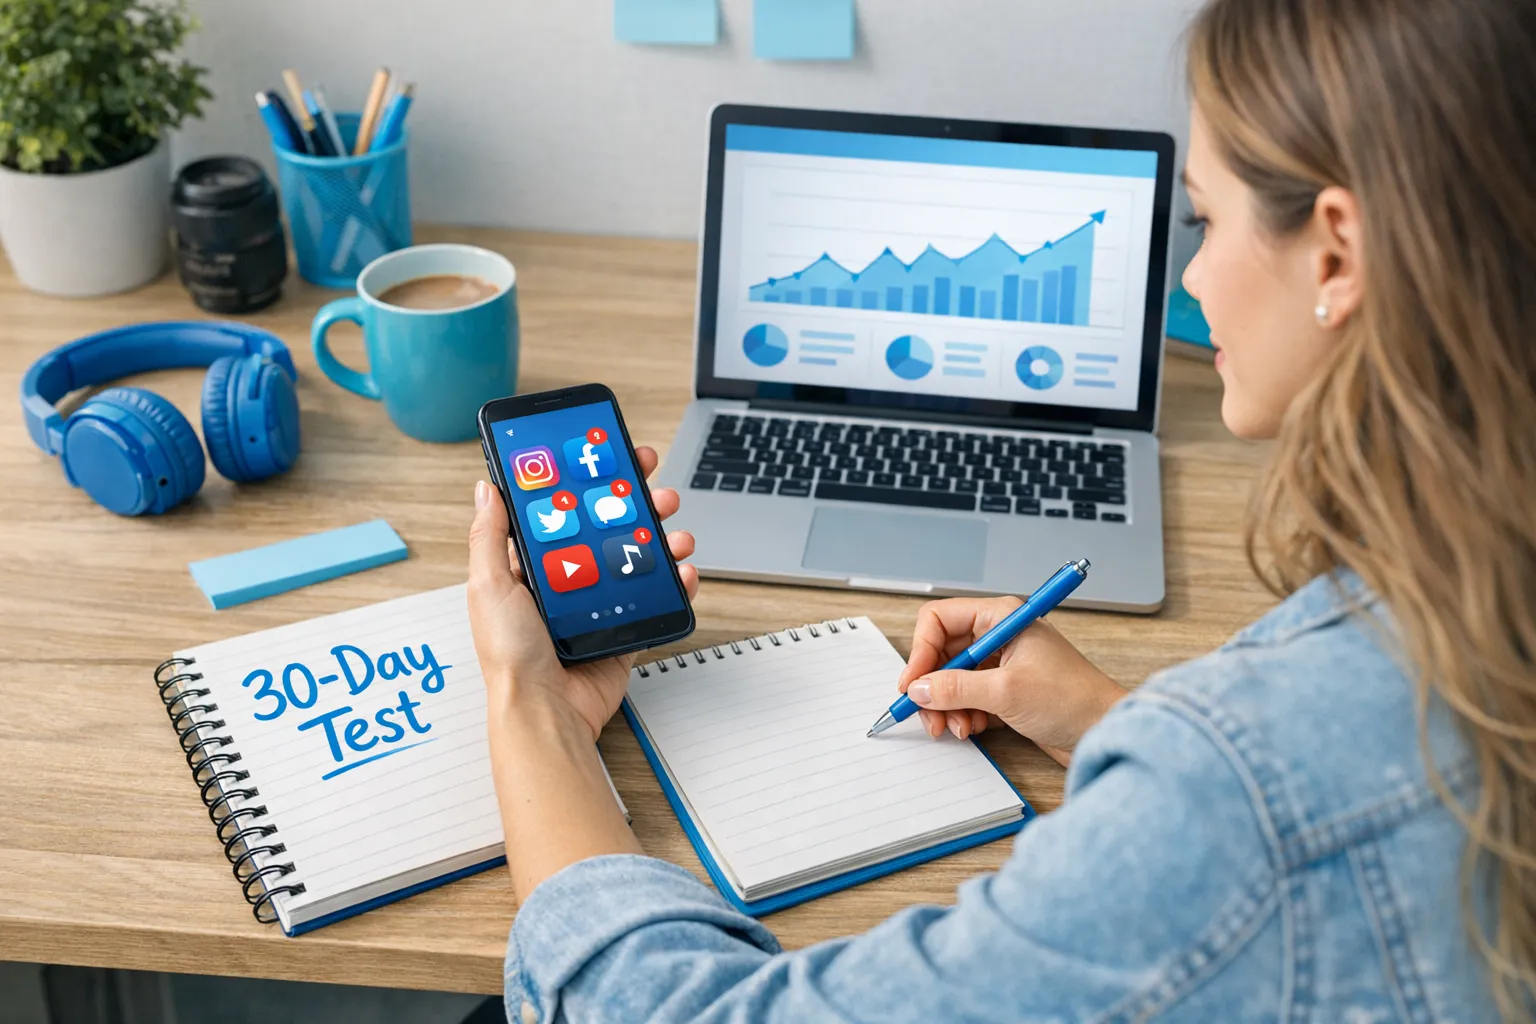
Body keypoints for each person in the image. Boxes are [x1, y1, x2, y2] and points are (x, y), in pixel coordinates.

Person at [464, 0, 1536, 1018]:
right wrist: (1112, 719)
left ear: (1336, 252)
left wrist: (533, 706)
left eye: (1203, 221)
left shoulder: (1235, 788)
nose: (1194, 281)